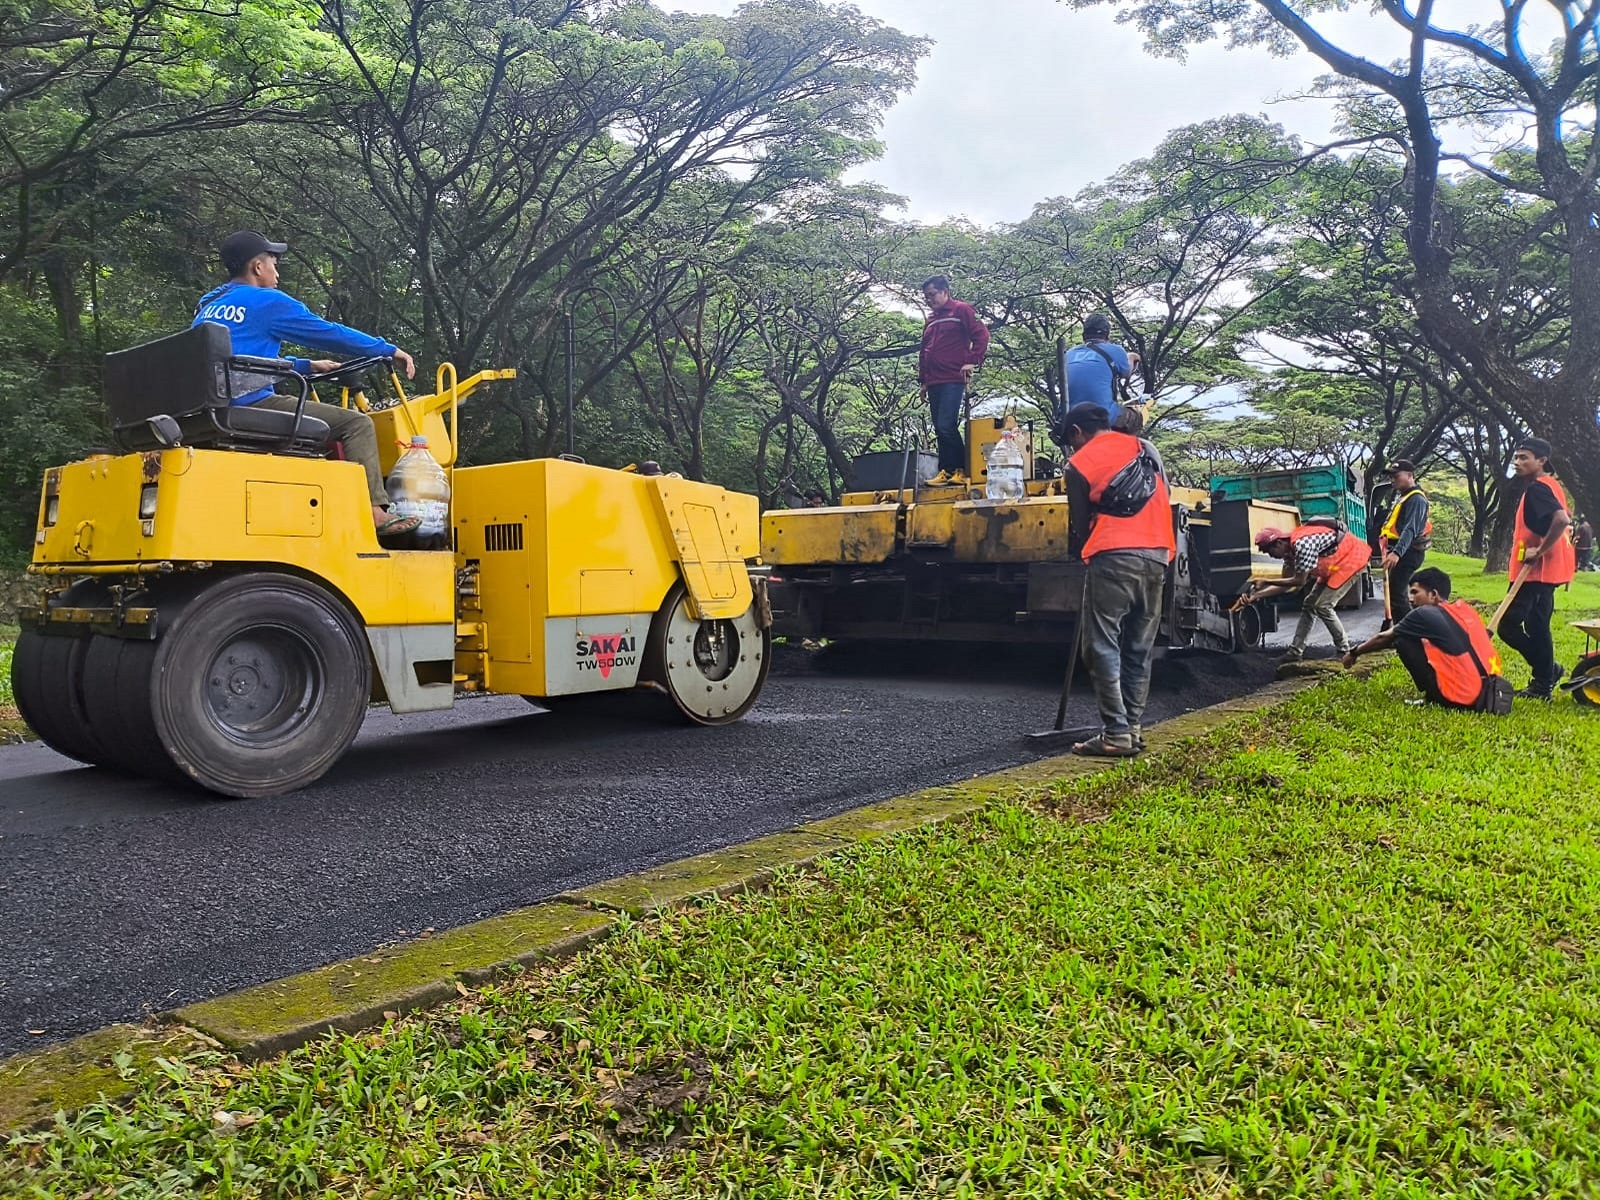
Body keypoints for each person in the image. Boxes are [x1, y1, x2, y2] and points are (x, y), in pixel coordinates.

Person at [194, 230, 421, 541]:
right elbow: (329, 333)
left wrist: (305, 366)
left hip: (212, 406)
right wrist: (386, 349)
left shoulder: (209, 307)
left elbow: (236, 358)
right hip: (248, 403)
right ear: (258, 267)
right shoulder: (267, 302)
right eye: (274, 263)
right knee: (356, 424)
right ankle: (375, 512)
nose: (278, 272)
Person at [1059, 402, 1176, 758]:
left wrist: (1083, 552)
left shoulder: (1079, 463)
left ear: (1078, 432)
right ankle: (1134, 729)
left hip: (1113, 554)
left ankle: (1115, 733)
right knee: (1139, 647)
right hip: (1159, 552)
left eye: (1070, 440)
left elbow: (1079, 525)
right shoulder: (1144, 448)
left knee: (1100, 644)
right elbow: (1165, 496)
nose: (1072, 447)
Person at [1342, 567, 1506, 710]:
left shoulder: (1423, 613)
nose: (1410, 599)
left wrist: (1354, 653)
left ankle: (1434, 697)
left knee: (1402, 640)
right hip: (1491, 690)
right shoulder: (1465, 610)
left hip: (1463, 698)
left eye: (1415, 592)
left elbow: (1383, 638)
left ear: (1433, 594)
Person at [1498, 436, 1575, 700]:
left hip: (1535, 572)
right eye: (1516, 457)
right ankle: (1544, 682)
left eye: (1524, 458)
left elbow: (1561, 519)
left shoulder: (1538, 489)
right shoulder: (1550, 485)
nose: (1517, 462)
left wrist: (1539, 551)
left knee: (1507, 625)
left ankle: (1547, 671)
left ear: (1541, 461)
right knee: (1538, 625)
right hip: (1548, 572)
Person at [1243, 522, 1369, 662]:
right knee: (1309, 604)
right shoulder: (1289, 554)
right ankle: (1295, 652)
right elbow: (1287, 585)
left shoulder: (1302, 545)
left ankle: (1344, 651)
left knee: (1323, 606)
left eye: (1269, 551)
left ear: (1278, 543)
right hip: (1333, 566)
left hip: (1351, 560)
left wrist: (1266, 581)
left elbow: (1299, 581)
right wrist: (1255, 596)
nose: (1271, 556)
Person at [917, 275, 990, 487]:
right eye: (926, 297)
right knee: (939, 428)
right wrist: (923, 381)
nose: (929, 300)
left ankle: (960, 469)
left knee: (946, 424)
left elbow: (981, 335)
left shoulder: (961, 310)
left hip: (953, 377)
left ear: (944, 291)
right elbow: (925, 351)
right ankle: (946, 470)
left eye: (932, 295)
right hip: (934, 380)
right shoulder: (931, 320)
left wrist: (972, 361)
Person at [1064, 314, 1141, 432]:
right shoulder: (1115, 350)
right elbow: (1127, 372)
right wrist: (1131, 357)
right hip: (1102, 416)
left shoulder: (1069, 354)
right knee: (1136, 418)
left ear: (1084, 334)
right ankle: (1123, 448)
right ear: (1107, 334)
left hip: (1070, 417)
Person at [1378, 459, 1432, 627]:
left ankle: (1410, 632)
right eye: (1391, 477)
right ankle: (1399, 631)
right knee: (1395, 593)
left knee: (1398, 595)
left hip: (1408, 552)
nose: (1393, 479)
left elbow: (1410, 529)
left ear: (1410, 475)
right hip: (1400, 550)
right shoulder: (1404, 497)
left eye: (1396, 476)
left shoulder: (1416, 499)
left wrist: (1397, 553)